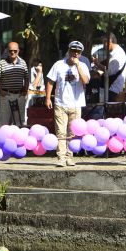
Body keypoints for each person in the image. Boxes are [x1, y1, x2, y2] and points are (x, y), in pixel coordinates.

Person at [45, 40, 89, 168]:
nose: (75, 54)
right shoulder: (59, 64)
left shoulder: (83, 65)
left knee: (73, 133)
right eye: (73, 51)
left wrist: (78, 66)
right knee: (61, 132)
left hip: (76, 104)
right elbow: (50, 81)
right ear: (68, 51)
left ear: (80, 54)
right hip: (61, 103)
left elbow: (85, 81)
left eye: (78, 52)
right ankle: (61, 157)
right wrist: (48, 98)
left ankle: (70, 157)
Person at [0, 41, 30, 126]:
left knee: (19, 122)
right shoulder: (2, 63)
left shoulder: (23, 62)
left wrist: (25, 91)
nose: (13, 52)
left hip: (19, 95)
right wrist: (1, 91)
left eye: (15, 51)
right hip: (6, 95)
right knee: (4, 122)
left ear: (18, 51)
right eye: (10, 51)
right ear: (7, 51)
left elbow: (26, 78)